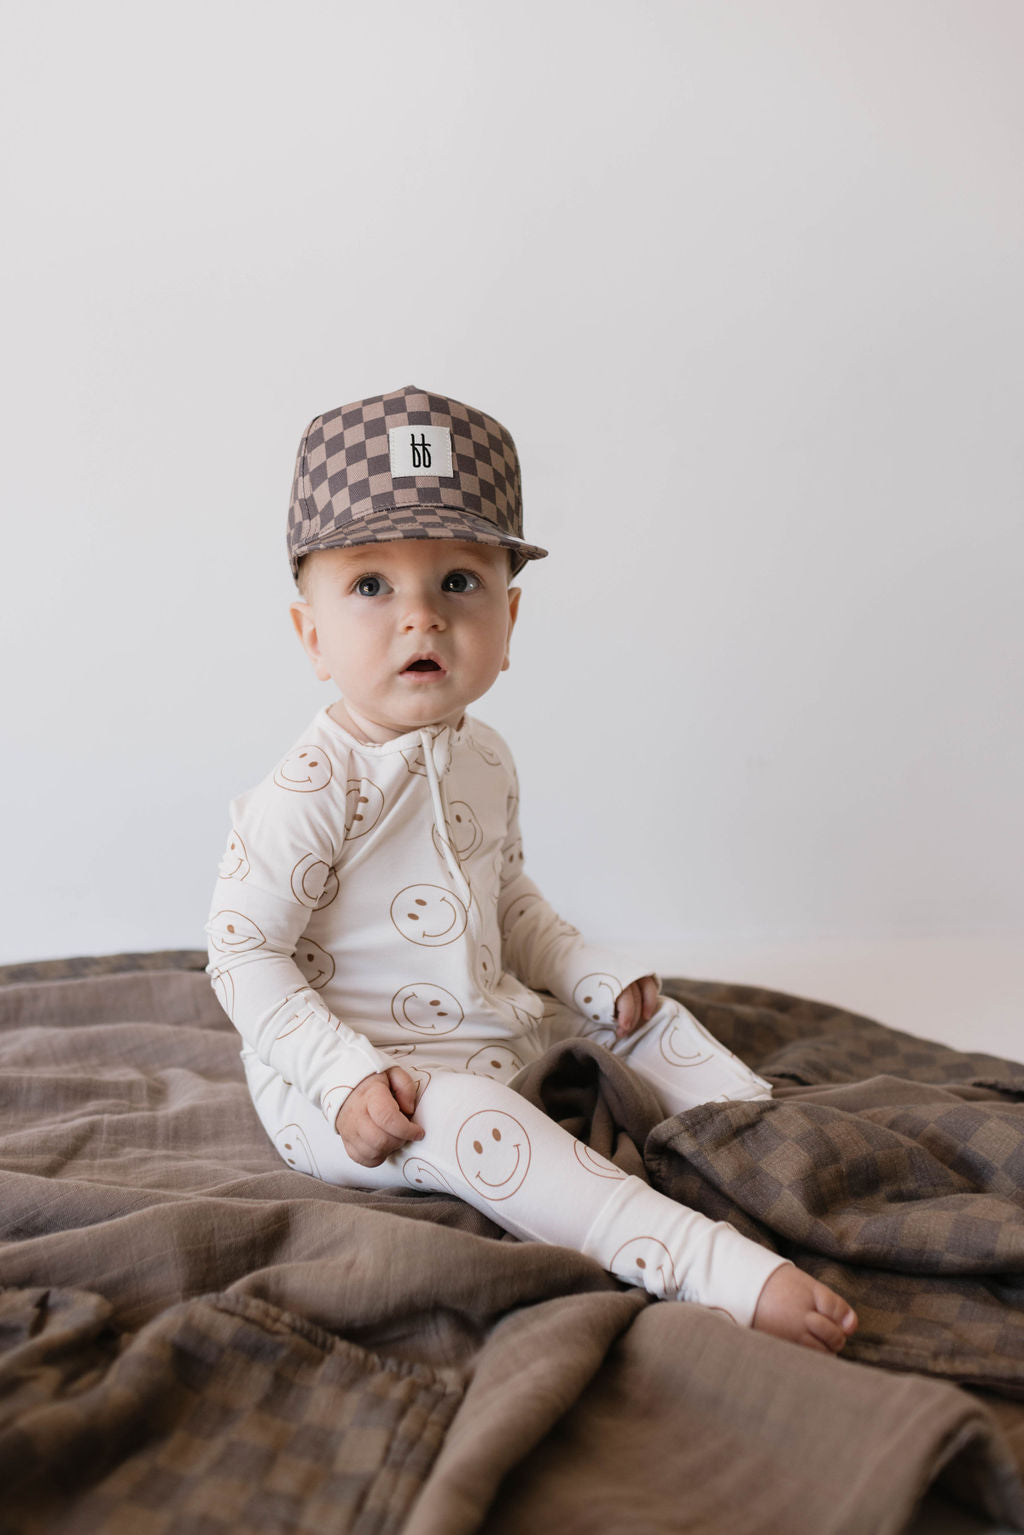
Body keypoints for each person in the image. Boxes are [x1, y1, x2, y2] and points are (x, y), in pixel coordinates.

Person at [206, 383, 858, 1353]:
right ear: (311, 635)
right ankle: (690, 1256)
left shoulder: (486, 756)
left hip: (484, 1023)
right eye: (372, 585)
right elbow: (243, 954)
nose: (420, 617)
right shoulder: (312, 788)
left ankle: (758, 1144)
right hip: (346, 1088)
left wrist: (589, 973)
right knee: (469, 1117)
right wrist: (343, 1077)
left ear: (509, 621)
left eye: (458, 582)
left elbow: (504, 899)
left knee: (641, 1016)